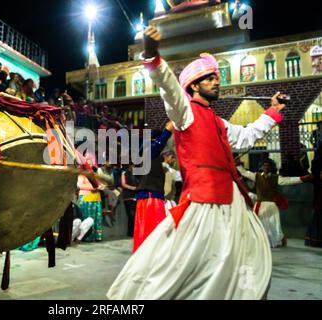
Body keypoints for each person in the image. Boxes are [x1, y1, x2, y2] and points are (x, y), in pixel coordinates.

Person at [107, 26, 285, 300]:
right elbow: (168, 86)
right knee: (185, 267)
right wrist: (152, 54)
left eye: (217, 77)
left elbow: (248, 135)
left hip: (233, 204)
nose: (217, 81)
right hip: (203, 203)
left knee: (240, 264)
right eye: (210, 78)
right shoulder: (184, 112)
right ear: (193, 85)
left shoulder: (219, 122)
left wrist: (273, 111)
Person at [238, 160, 312, 248]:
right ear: (262, 167)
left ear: (270, 167)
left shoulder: (275, 178)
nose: (266, 167)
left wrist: (303, 179)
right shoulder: (256, 176)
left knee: (274, 225)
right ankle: (261, 241)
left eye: (268, 165)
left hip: (271, 205)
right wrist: (237, 165)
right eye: (264, 165)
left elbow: (288, 180)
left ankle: (278, 240)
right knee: (259, 224)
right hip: (260, 205)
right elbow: (244, 172)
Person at [132, 123, 173, 254]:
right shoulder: (150, 153)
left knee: (145, 234)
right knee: (154, 234)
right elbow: (160, 143)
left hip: (146, 198)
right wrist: (167, 130)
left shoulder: (145, 158)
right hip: (151, 199)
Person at [121, 164, 139, 237]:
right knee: (131, 214)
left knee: (134, 215)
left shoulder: (137, 174)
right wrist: (133, 188)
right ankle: (131, 232)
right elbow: (123, 184)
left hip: (136, 196)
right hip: (128, 196)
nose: (134, 167)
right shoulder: (124, 173)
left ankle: (132, 232)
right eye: (133, 166)